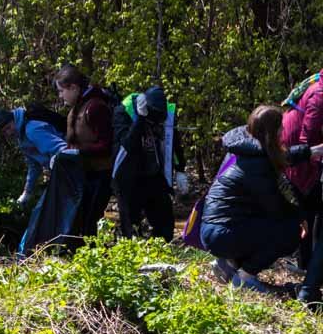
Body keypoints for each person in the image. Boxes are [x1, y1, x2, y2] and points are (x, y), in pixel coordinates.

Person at [200, 105, 323, 293]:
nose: (284, 130)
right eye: (280, 127)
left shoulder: (249, 149)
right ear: (272, 132)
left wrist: (312, 151)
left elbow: (281, 156)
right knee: (289, 232)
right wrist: (300, 217)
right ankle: (245, 277)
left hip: (219, 227)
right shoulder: (258, 166)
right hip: (221, 233)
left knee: (278, 226)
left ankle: (229, 264)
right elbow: (276, 208)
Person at [0, 105, 78, 256]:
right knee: (44, 213)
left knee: (47, 213)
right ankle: (32, 253)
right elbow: (33, 165)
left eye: (8, 128)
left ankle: (28, 255)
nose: (8, 133)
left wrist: (55, 162)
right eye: (4, 132)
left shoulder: (32, 130)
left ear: (12, 119)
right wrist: (27, 192)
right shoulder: (21, 135)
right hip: (59, 173)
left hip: (68, 173)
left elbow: (64, 150)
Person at [111, 86, 189, 241]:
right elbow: (127, 145)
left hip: (154, 174)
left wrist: (180, 169)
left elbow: (173, 140)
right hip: (128, 177)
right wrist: (140, 119)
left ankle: (162, 252)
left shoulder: (165, 114)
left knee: (165, 223)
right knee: (131, 227)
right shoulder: (124, 112)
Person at [55, 65, 114, 246]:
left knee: (91, 219)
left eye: (61, 91)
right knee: (79, 218)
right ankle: (80, 255)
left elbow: (107, 144)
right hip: (83, 174)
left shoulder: (95, 107)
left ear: (73, 87)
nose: (60, 96)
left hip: (100, 174)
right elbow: (74, 140)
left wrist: (79, 152)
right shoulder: (75, 109)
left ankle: (95, 258)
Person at [280, 72, 323, 271]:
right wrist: (315, 166)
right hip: (300, 154)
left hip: (300, 151)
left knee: (308, 208)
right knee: (307, 208)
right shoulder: (320, 93)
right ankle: (307, 264)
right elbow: (309, 136)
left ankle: (308, 262)